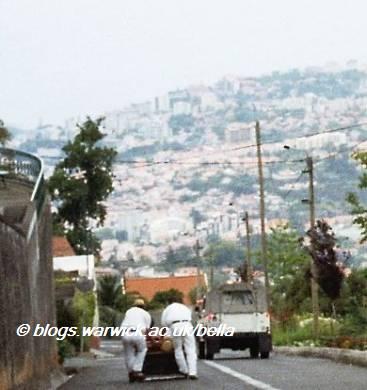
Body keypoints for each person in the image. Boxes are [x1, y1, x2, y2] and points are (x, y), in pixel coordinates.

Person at [161, 296, 198, 380]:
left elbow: (163, 323)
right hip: (187, 325)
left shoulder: (168, 308)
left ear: (169, 302)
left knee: (178, 348)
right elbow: (190, 317)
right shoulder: (185, 307)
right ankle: (193, 372)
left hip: (175, 326)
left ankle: (184, 370)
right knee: (191, 349)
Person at [121, 298, 151, 383]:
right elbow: (147, 329)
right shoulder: (146, 314)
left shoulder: (129, 311)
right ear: (143, 306)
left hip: (125, 333)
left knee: (128, 353)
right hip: (138, 333)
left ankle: (131, 372)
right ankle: (137, 370)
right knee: (142, 350)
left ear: (134, 305)